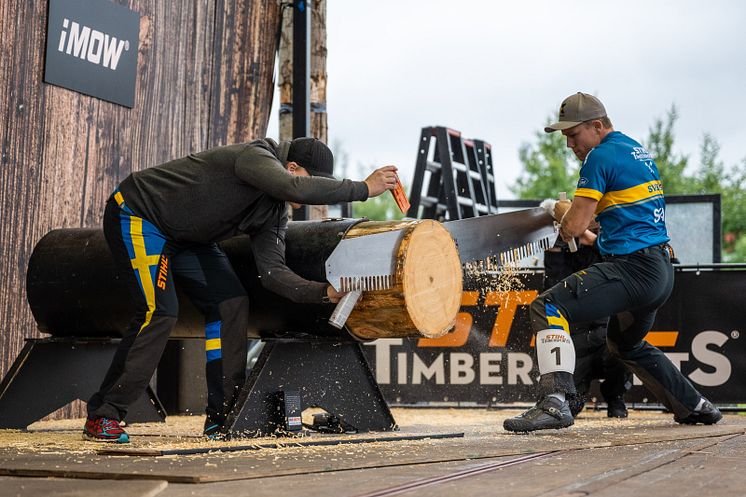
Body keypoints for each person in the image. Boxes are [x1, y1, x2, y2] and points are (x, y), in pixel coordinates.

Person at [83, 137, 398, 443]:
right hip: (140, 214)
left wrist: (324, 293)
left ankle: (222, 418)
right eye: (312, 181)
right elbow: (293, 187)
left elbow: (274, 275)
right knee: (160, 311)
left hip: (190, 240)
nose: (308, 194)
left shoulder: (274, 214)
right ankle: (104, 414)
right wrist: (363, 189)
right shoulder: (256, 155)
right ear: (290, 166)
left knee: (231, 302)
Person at [503, 92, 722, 432]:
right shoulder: (635, 151)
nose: (570, 145)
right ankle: (694, 405)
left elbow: (575, 227)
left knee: (546, 307)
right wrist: (573, 214)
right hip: (660, 271)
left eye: (573, 135)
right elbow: (603, 216)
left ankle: (555, 402)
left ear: (597, 126)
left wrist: (557, 212)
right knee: (625, 344)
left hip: (632, 268)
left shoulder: (598, 157)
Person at [542, 227, 631, 418]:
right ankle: (574, 396)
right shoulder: (566, 252)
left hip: (604, 332)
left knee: (621, 350)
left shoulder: (610, 244)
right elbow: (552, 287)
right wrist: (554, 251)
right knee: (571, 406)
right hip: (576, 340)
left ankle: (616, 397)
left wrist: (592, 239)